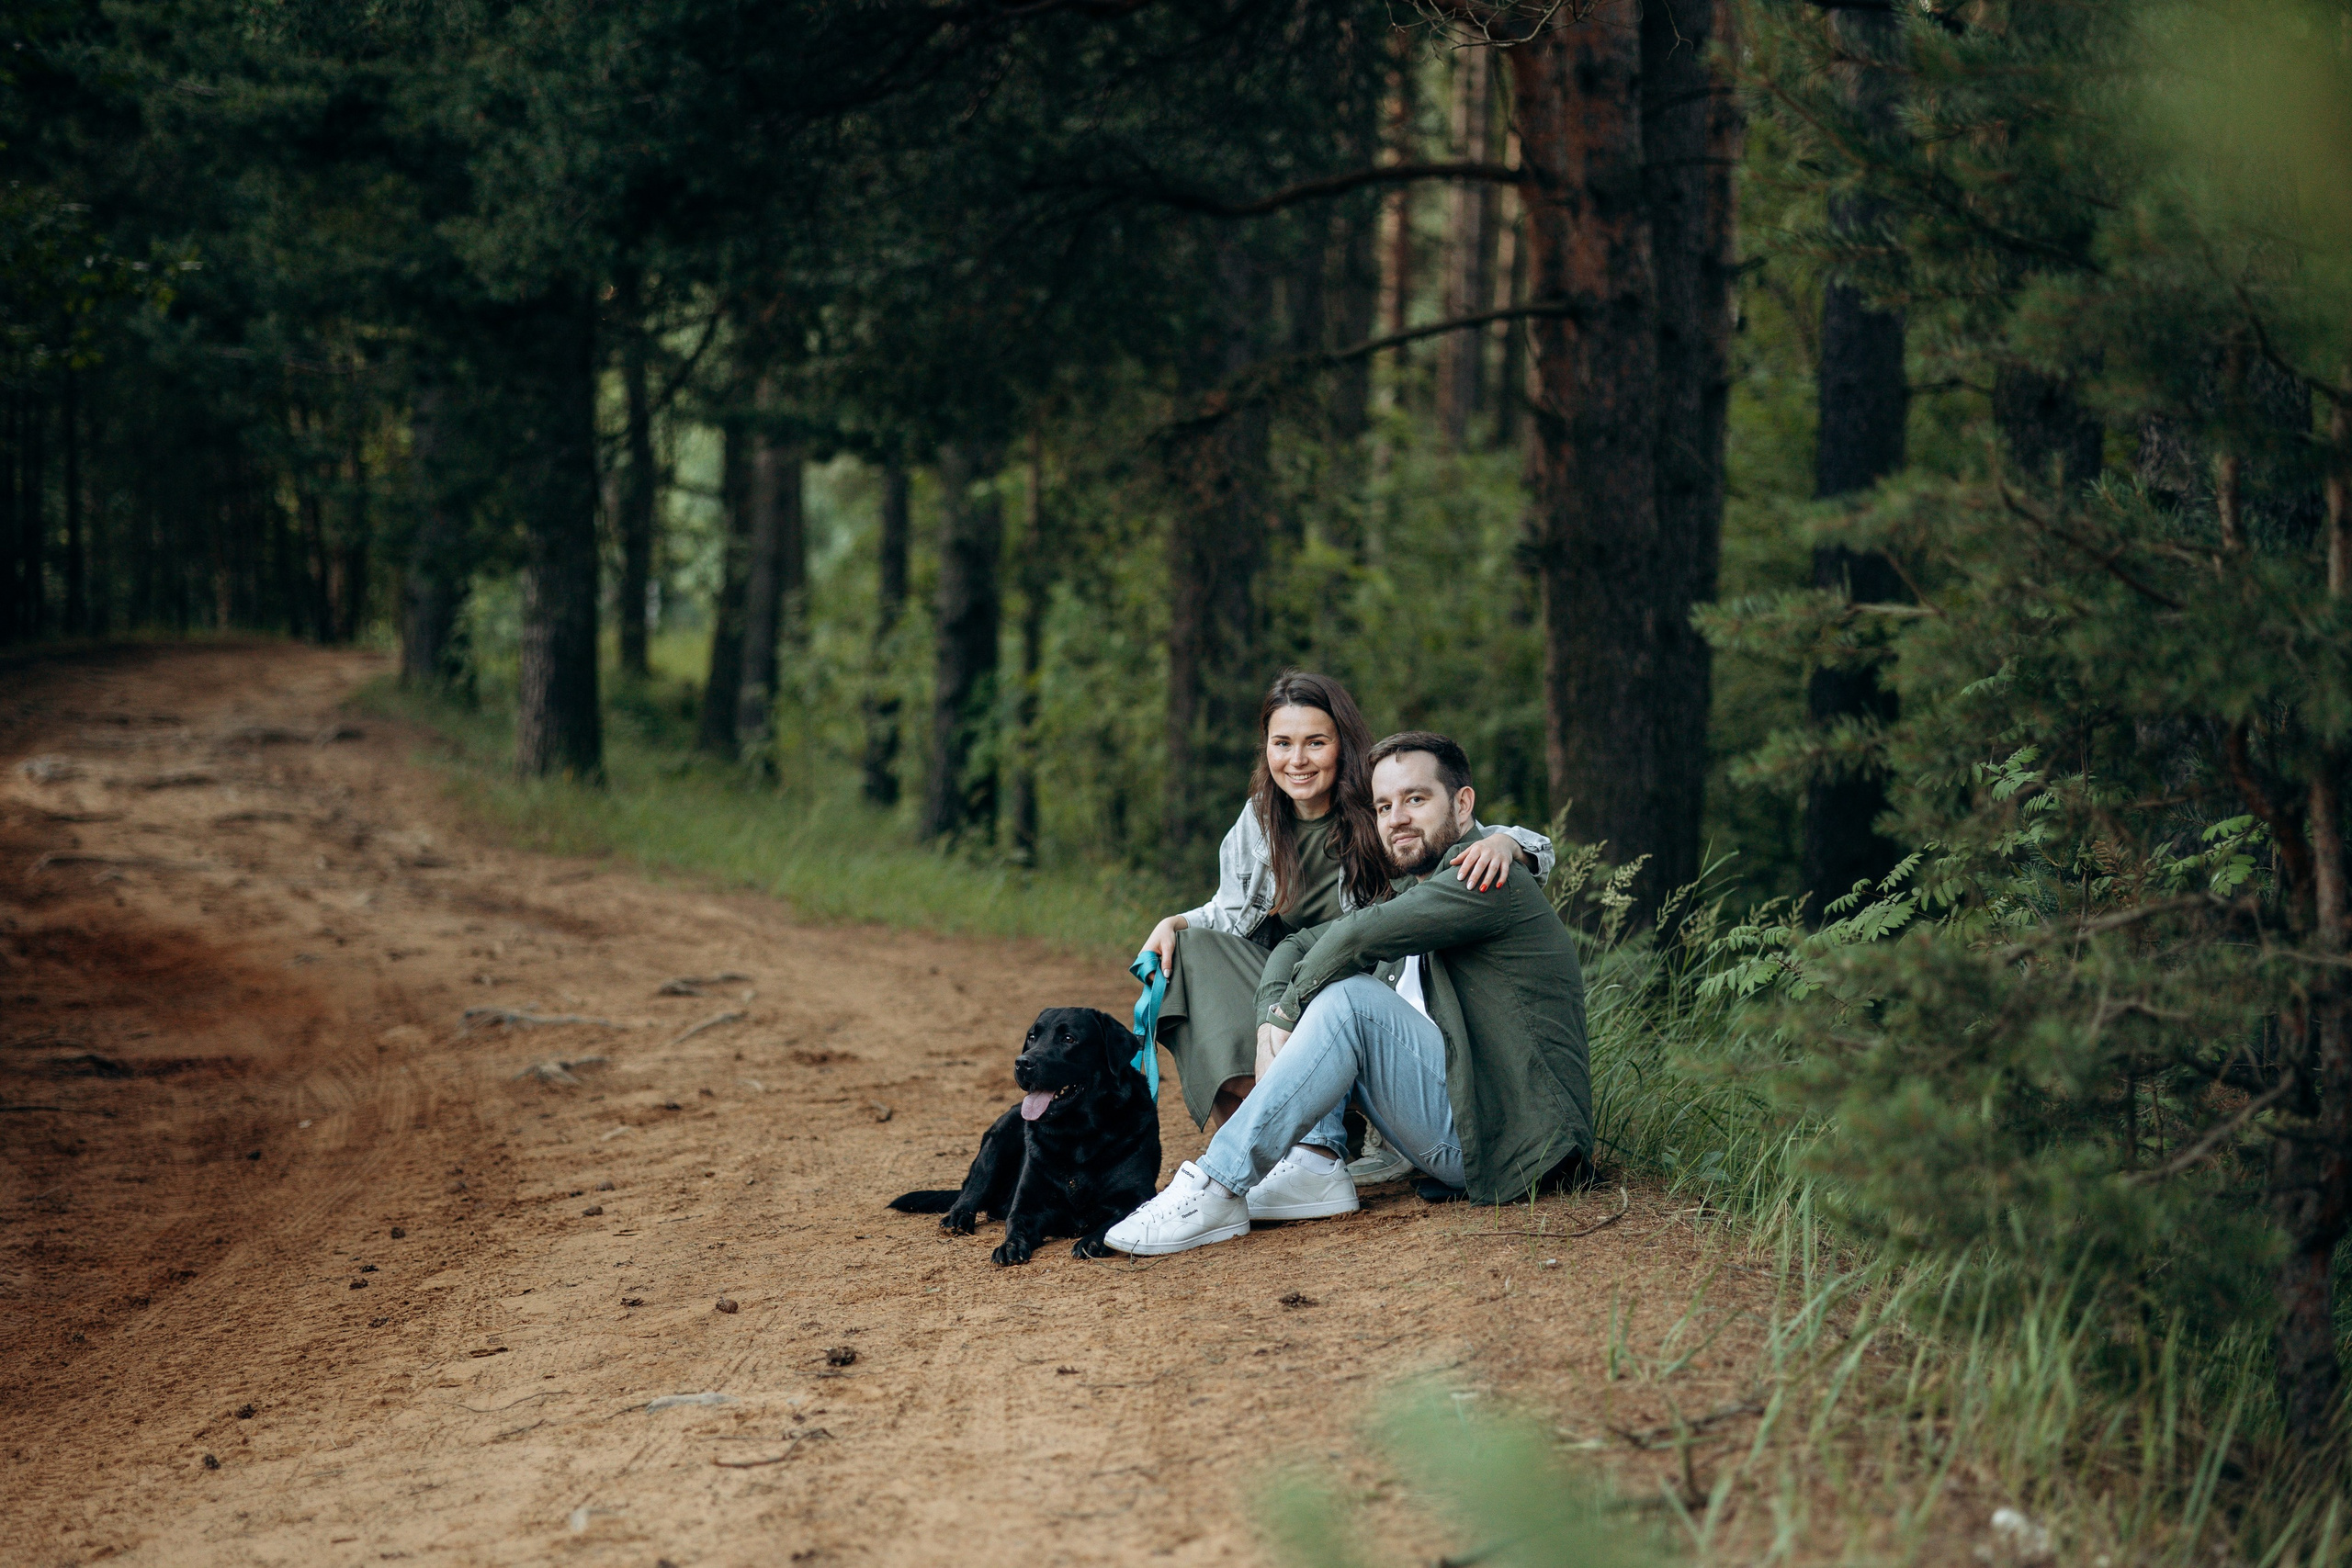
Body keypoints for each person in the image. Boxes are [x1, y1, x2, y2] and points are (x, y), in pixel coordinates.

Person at [1104, 730, 1590, 1256]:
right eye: (1384, 806)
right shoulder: (1422, 885)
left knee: (1348, 998)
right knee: (1336, 982)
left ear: (1463, 802)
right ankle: (1308, 1163)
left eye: (1416, 799)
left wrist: (1287, 1011)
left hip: (1523, 1146)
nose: (1396, 818)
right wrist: (1272, 1009)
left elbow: (1357, 936)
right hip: (1471, 1129)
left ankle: (1218, 1185)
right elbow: (1303, 940)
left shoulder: (1487, 876)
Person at [1138, 672, 1555, 1176]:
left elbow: (1471, 836)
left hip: (1376, 983)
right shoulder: (1260, 818)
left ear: (1343, 744)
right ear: (1265, 749)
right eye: (1282, 743)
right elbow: (1228, 911)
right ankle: (1263, 1148)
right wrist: (1175, 922)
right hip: (1297, 970)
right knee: (1191, 952)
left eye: (1316, 742)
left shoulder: (1380, 808)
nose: (1298, 760)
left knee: (1331, 993)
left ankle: (1361, 1135)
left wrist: (1512, 844)